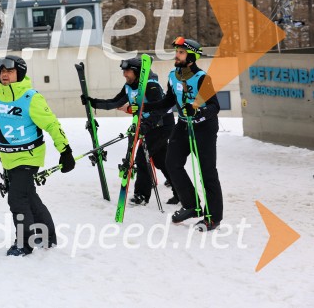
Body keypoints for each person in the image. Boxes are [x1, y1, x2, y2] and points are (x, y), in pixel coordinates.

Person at [0, 56, 75, 256]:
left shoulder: (31, 98)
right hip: (8, 157)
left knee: (17, 200)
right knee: (29, 196)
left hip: (28, 157)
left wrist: (65, 151)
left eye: (10, 71)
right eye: (3, 71)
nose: (4, 74)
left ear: (20, 73)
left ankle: (24, 243)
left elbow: (52, 124)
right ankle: (47, 236)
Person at [145, 37, 223, 231]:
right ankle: (192, 205)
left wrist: (198, 111)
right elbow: (167, 102)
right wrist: (143, 106)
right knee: (172, 163)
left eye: (181, 52)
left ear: (191, 57)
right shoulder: (173, 75)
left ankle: (213, 217)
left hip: (204, 127)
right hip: (183, 124)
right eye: (177, 52)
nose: (177, 55)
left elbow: (215, 106)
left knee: (207, 173)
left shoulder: (201, 78)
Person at [82, 57, 177, 206]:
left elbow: (160, 110)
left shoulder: (151, 86)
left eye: (127, 71)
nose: (124, 74)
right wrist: (93, 102)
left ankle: (142, 195)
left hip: (162, 125)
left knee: (141, 157)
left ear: (137, 72)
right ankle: (180, 192)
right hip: (148, 126)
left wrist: (146, 125)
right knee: (161, 161)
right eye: (124, 71)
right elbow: (115, 102)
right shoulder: (129, 86)